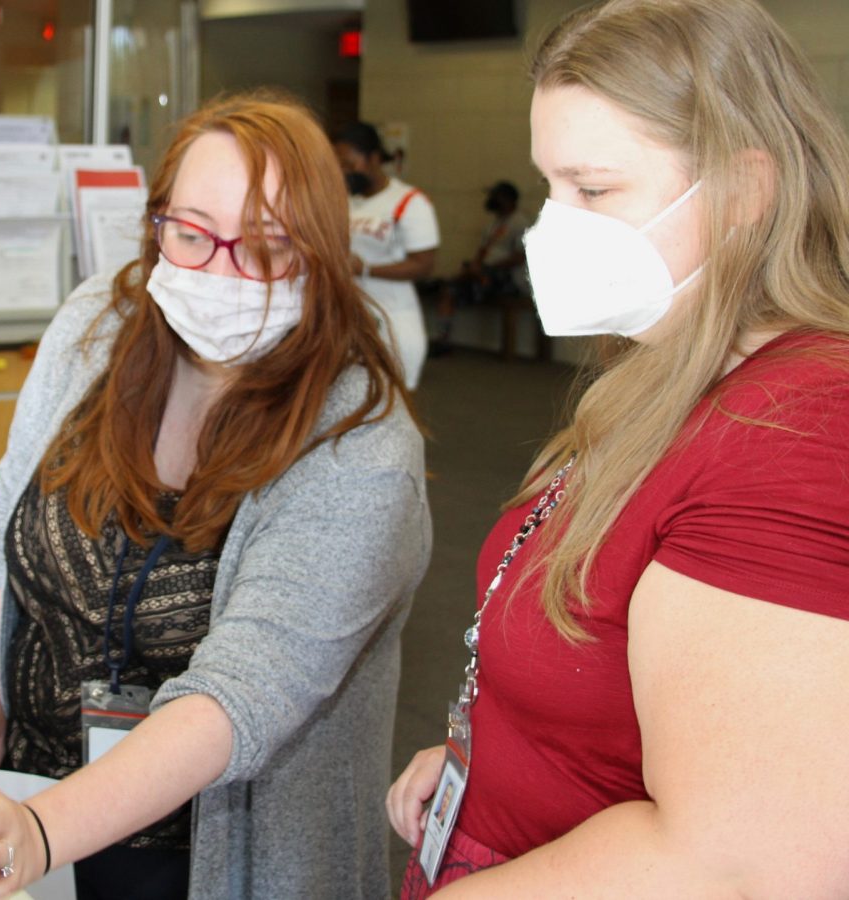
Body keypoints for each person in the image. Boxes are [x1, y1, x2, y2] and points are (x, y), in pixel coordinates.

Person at [388, 0, 849, 896]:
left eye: (593, 190)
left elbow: (742, 859)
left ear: (747, 193)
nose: (553, 228)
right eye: (549, 187)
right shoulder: (663, 370)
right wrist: (482, 753)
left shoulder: (801, 427)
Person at [0, 91, 430, 900]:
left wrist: (41, 831)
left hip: (208, 856)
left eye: (268, 249)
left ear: (323, 254)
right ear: (156, 221)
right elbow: (4, 514)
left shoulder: (362, 451)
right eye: (193, 234)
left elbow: (239, 697)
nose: (220, 270)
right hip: (33, 800)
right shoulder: (101, 323)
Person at [333, 121, 440, 390]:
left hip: (394, 318)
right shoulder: (346, 202)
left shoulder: (409, 202)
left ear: (374, 158)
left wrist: (366, 269)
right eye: (339, 165)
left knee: (396, 407)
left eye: (349, 163)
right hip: (353, 318)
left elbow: (423, 265)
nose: (344, 172)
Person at [427, 181, 530, 355]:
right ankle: (442, 338)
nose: (491, 200)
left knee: (455, 286)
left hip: (508, 279)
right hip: (484, 274)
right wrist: (476, 265)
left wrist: (486, 268)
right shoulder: (493, 224)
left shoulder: (520, 223)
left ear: (507, 199)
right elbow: (482, 252)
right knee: (449, 290)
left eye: (496, 196)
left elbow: (520, 257)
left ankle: (453, 281)